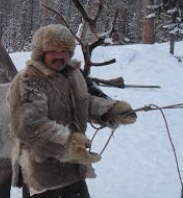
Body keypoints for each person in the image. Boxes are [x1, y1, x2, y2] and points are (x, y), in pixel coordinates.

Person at [7, 24, 137, 198]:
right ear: (41, 52)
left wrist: (110, 110)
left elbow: (84, 101)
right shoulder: (30, 79)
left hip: (73, 169)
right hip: (43, 174)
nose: (60, 56)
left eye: (65, 51)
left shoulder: (72, 74)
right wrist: (70, 144)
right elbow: (29, 124)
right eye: (54, 51)